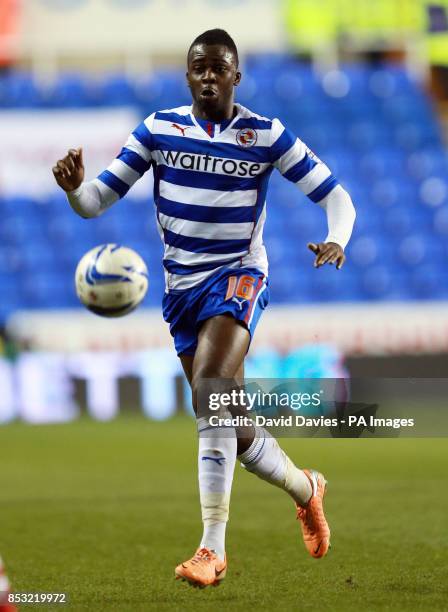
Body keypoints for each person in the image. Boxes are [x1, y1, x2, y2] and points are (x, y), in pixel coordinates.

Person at [52, 29, 356, 588]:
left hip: (239, 275)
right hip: (182, 289)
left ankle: (210, 549)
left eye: (220, 68)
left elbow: (336, 196)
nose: (209, 76)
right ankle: (306, 488)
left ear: (236, 77)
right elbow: (96, 201)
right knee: (230, 423)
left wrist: (337, 236)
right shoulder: (158, 131)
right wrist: (75, 189)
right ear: (188, 76)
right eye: (200, 68)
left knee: (212, 390)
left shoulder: (265, 135)